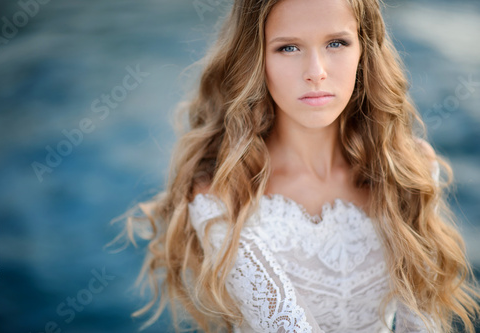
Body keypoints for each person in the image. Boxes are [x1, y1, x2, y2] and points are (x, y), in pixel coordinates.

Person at [113, 0, 480, 331]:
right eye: (288, 47)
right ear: (257, 59)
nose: (316, 71)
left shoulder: (408, 169)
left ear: (364, 51)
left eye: (336, 43)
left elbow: (423, 321)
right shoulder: (222, 195)